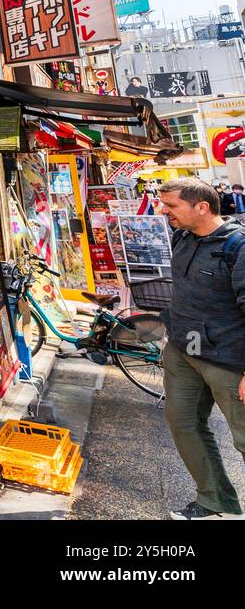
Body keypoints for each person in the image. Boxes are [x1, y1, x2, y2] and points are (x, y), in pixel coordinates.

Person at [157, 178, 245, 520]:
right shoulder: (182, 235)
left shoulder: (237, 246)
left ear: (202, 207)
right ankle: (216, 502)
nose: (164, 212)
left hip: (228, 361)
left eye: (172, 206)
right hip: (183, 351)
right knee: (184, 423)